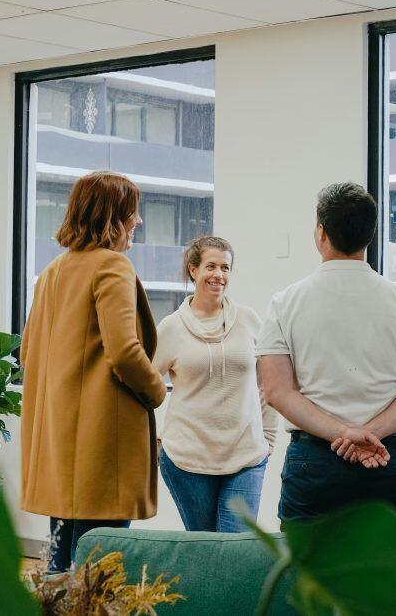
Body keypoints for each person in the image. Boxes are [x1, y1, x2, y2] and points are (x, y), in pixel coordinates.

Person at [256, 182, 396, 525]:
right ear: (369, 236)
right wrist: (369, 433)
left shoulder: (285, 303)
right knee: (388, 577)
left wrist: (344, 434)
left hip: (313, 461)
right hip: (386, 455)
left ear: (321, 232)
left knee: (308, 576)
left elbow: (278, 391)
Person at [19, 170, 168, 573]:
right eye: (132, 213)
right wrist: (157, 391)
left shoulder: (52, 272)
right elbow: (123, 351)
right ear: (113, 216)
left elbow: (28, 353)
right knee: (100, 572)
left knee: (60, 569)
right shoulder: (112, 266)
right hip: (102, 446)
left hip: (60, 444)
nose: (137, 221)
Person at [152, 236, 279, 532]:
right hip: (187, 460)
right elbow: (146, 387)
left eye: (225, 267)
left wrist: (268, 438)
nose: (219, 275)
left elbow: (267, 383)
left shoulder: (248, 320)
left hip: (246, 455)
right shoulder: (171, 327)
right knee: (205, 551)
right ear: (193, 270)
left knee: (234, 550)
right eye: (210, 266)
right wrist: (159, 438)